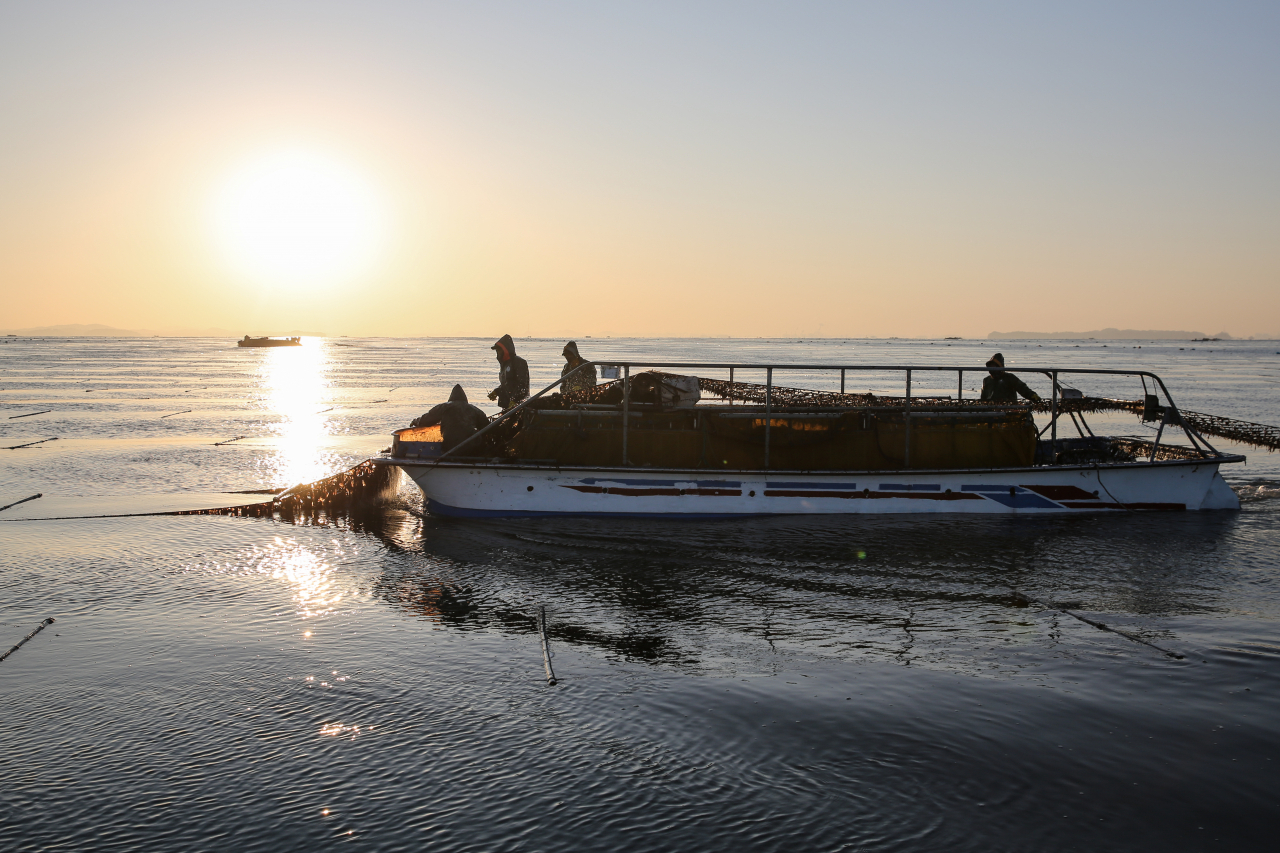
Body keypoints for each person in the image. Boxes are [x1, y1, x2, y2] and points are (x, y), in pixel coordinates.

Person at [411, 385, 490, 452]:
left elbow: (426, 420)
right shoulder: (475, 410)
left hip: (449, 445)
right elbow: (488, 427)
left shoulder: (444, 407)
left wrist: (416, 421)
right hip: (472, 446)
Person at [487, 334, 530, 410]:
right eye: (497, 351)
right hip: (506, 405)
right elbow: (507, 385)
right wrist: (497, 391)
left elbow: (522, 384)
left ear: (505, 349)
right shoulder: (504, 365)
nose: (498, 353)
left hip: (519, 406)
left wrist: (515, 400)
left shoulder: (519, 362)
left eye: (499, 350)